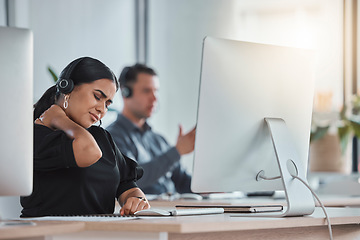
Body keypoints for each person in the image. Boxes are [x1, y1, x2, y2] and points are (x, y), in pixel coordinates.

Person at [21, 57, 150, 217]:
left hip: (97, 232)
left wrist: (134, 199)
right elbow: (88, 151)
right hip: (51, 233)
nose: (102, 109)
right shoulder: (35, 136)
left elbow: (127, 185)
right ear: (67, 88)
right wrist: (58, 118)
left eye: (107, 104)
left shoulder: (101, 137)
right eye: (97, 97)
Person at [106, 63, 196, 195]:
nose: (154, 98)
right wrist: (177, 152)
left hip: (171, 209)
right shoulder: (112, 137)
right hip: (147, 212)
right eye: (147, 91)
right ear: (126, 92)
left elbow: (183, 182)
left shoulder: (158, 139)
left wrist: (210, 188)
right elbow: (133, 178)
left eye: (156, 91)